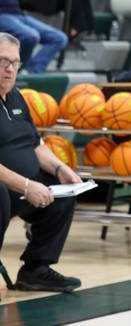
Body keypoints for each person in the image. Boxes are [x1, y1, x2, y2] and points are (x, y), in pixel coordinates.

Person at [0, 33, 82, 293]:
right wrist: (26, 186)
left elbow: (35, 145)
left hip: (23, 187)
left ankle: (35, 269)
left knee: (63, 190)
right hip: (6, 188)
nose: (10, 69)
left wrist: (61, 169)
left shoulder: (17, 96)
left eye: (15, 62)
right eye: (3, 61)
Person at [0, 0, 68, 73]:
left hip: (18, 14)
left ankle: (31, 72)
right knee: (31, 36)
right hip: (2, 16)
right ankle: (16, 72)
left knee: (59, 38)